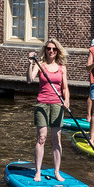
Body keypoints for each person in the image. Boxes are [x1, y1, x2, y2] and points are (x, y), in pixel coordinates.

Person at [26, 39, 70, 179]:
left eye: (54, 49)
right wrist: (30, 63)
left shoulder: (62, 67)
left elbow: (65, 88)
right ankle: (38, 171)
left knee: (56, 138)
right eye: (49, 48)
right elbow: (29, 79)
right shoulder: (40, 65)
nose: (51, 51)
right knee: (41, 138)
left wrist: (67, 99)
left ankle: (57, 171)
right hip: (42, 104)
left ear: (57, 51)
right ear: (45, 50)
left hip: (57, 104)